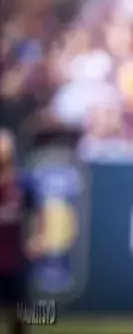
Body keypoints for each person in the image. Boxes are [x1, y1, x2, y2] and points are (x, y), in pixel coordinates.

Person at [0, 129, 44, 334]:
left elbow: (38, 212)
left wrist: (38, 238)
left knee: (20, 308)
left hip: (16, 254)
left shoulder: (23, 181)